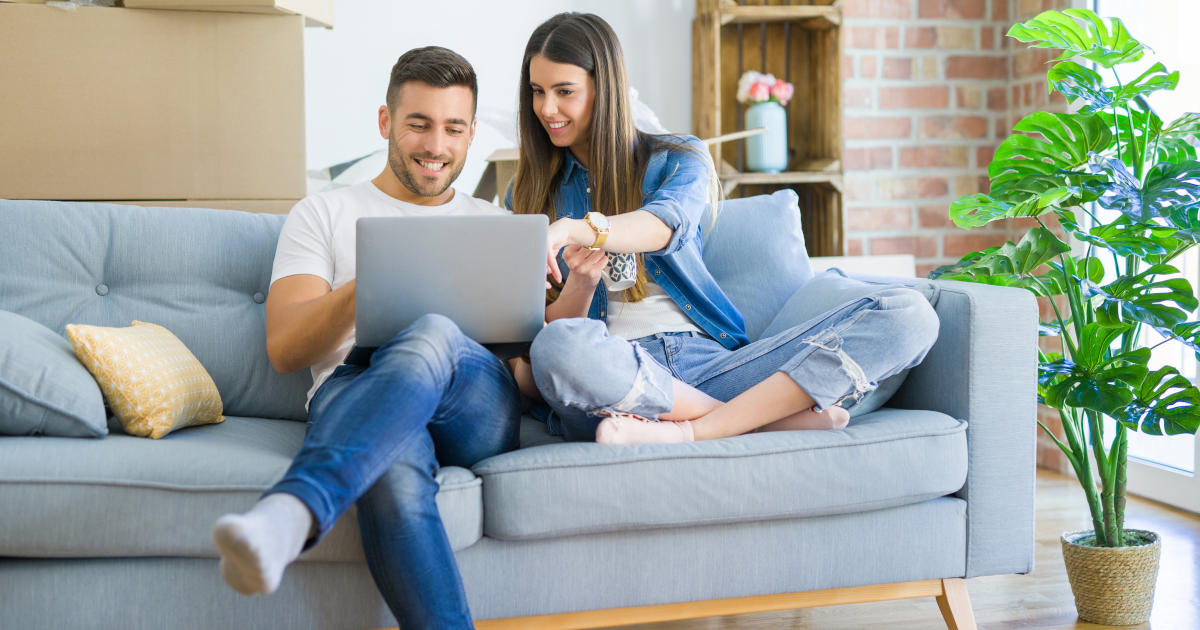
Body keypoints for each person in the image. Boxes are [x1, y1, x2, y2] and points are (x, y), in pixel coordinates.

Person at [508, 12, 940, 444]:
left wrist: (576, 229)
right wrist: (580, 286)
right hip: (614, 376)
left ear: (605, 89)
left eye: (565, 92)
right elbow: (542, 336)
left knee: (910, 313)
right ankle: (762, 418)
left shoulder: (678, 157)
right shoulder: (525, 194)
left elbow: (665, 226)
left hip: (710, 367)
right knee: (555, 350)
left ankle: (690, 430)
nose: (547, 109)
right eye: (537, 92)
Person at [210, 47, 521, 630]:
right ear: (386, 122)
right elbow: (285, 349)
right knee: (394, 475)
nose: (436, 146)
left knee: (432, 330)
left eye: (454, 128)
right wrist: (366, 287)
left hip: (472, 403)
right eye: (419, 124)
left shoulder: (496, 225)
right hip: (355, 386)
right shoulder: (323, 214)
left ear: (471, 133)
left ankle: (294, 509)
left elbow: (526, 365)